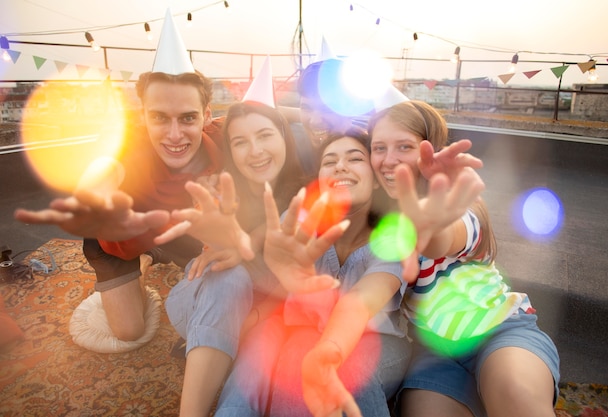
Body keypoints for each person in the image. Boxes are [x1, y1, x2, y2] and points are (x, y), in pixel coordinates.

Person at [12, 9, 247, 344]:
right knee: (129, 332)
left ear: (207, 115)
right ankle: (141, 262)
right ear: (143, 116)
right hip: (119, 241)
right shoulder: (126, 148)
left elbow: (260, 113)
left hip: (176, 230)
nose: (175, 134)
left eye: (188, 118)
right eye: (160, 118)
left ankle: (154, 254)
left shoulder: (221, 139)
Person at [368, 99, 561, 417]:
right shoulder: (376, 219)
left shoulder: (460, 204)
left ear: (430, 150)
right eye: (379, 147)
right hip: (435, 352)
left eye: (404, 146)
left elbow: (445, 238)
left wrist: (431, 225)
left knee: (517, 395)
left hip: (500, 330)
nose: (389, 160)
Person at [213, 130, 412, 417]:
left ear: (377, 179)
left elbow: (360, 301)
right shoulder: (299, 226)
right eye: (329, 162)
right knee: (296, 361)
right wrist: (240, 250)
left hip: (378, 342)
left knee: (345, 366)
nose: (340, 166)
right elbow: (270, 252)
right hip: (304, 335)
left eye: (355, 158)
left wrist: (327, 344)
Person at [161, 61, 309, 417]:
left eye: (265, 135)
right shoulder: (224, 192)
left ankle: (218, 352)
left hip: (266, 321)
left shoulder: (308, 196)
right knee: (229, 276)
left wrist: (249, 245)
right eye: (240, 142)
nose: (254, 151)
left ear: (284, 137)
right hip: (203, 304)